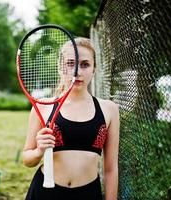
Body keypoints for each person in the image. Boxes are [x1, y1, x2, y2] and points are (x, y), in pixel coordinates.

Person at [23, 37, 120, 200]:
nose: (77, 72)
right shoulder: (43, 106)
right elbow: (27, 159)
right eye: (70, 63)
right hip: (46, 193)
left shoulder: (109, 109)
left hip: (88, 195)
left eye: (85, 64)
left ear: (94, 69)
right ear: (60, 68)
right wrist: (39, 151)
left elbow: (110, 168)